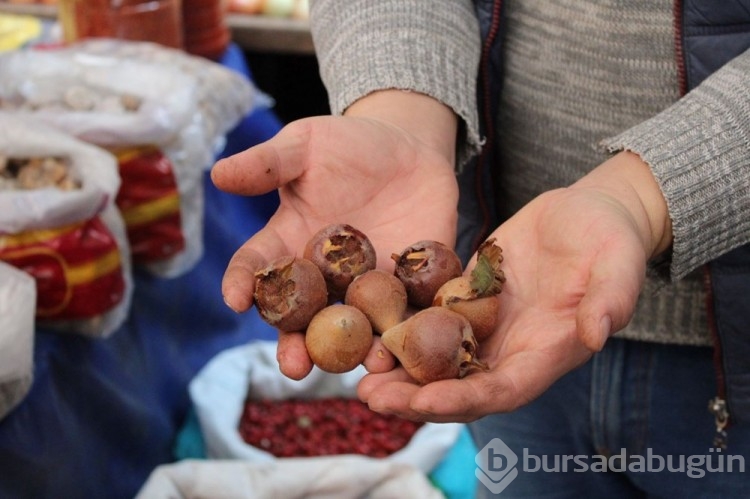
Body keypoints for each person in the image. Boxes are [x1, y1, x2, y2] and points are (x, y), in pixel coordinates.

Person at [211, 1, 750, 496]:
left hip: (730, 345)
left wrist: (643, 197)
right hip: (511, 287)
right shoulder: (432, 303)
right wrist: (401, 115)